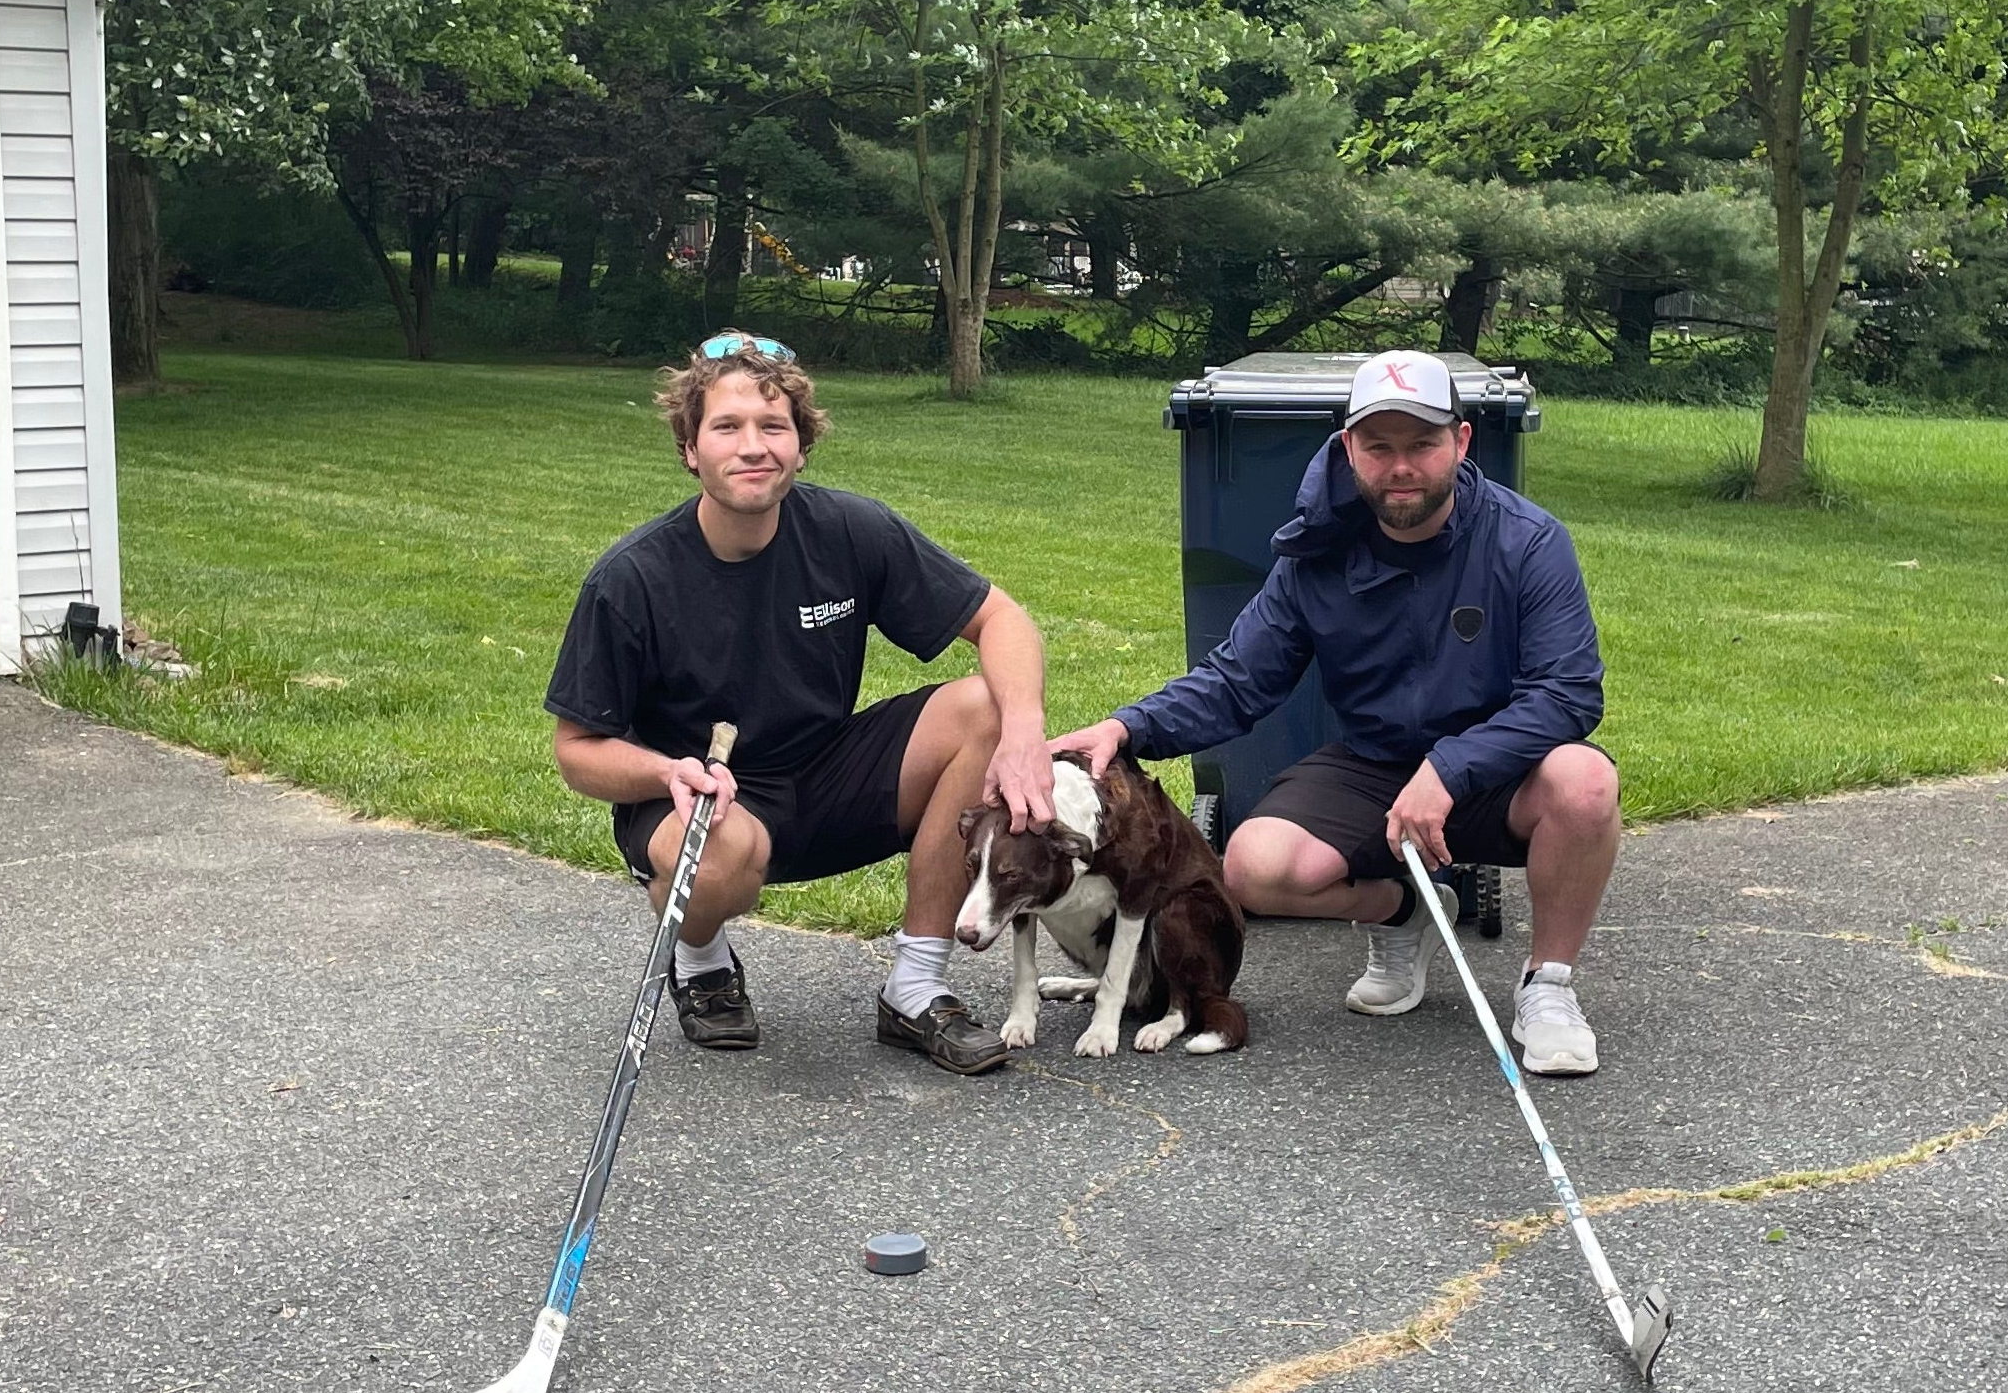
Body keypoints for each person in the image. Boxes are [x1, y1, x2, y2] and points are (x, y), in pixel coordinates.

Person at [1055, 349, 1619, 1075]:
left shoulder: (1528, 541)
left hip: (1500, 772)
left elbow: (1567, 693)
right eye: (1378, 447)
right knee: (1254, 868)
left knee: (1585, 783)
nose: (1401, 466)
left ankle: (1548, 986)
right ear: (1347, 448)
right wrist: (1125, 726)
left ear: (1462, 441)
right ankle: (1405, 912)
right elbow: (1237, 681)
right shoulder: (1315, 554)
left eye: (1421, 443)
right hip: (1374, 765)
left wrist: (1448, 768)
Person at [546, 332, 1055, 1075]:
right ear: (690, 450)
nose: (753, 447)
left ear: (801, 445)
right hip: (701, 803)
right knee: (720, 857)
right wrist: (667, 776)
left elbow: (1002, 620)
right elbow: (576, 750)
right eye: (726, 427)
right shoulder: (632, 579)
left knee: (986, 705)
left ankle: (915, 987)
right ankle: (702, 962)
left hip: (823, 777)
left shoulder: (851, 529)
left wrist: (1025, 733)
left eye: (772, 427)